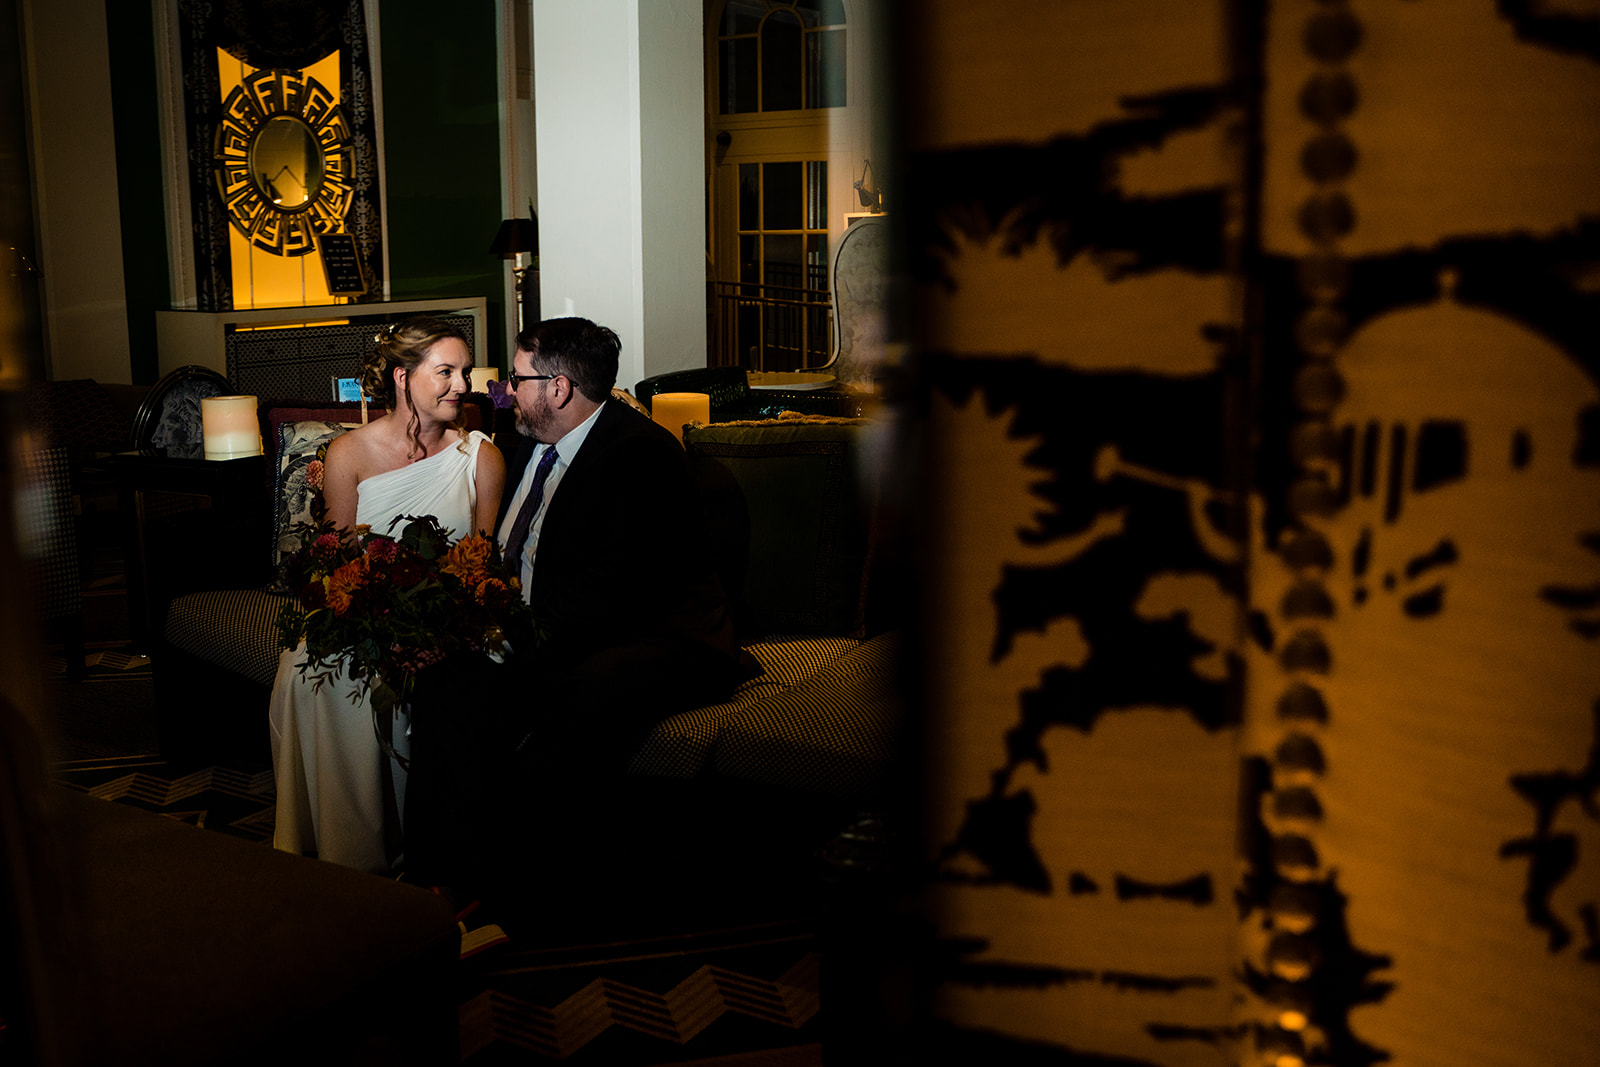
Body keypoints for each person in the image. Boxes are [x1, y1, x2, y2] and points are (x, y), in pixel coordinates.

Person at [402, 316, 752, 906]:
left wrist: (505, 635)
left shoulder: (639, 455)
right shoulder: (524, 445)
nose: (505, 391)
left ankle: (527, 896)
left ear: (558, 389)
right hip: (556, 624)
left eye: (516, 379)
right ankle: (432, 880)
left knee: (576, 691)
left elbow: (615, 594)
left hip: (660, 636)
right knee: (444, 679)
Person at [268, 316, 506, 874]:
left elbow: (483, 562)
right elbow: (336, 563)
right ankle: (347, 849)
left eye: (465, 373)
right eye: (445, 372)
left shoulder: (480, 456)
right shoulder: (348, 455)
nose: (461, 385)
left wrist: (442, 622)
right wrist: (373, 615)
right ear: (403, 377)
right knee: (309, 666)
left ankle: (423, 848)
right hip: (367, 612)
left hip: (453, 620)